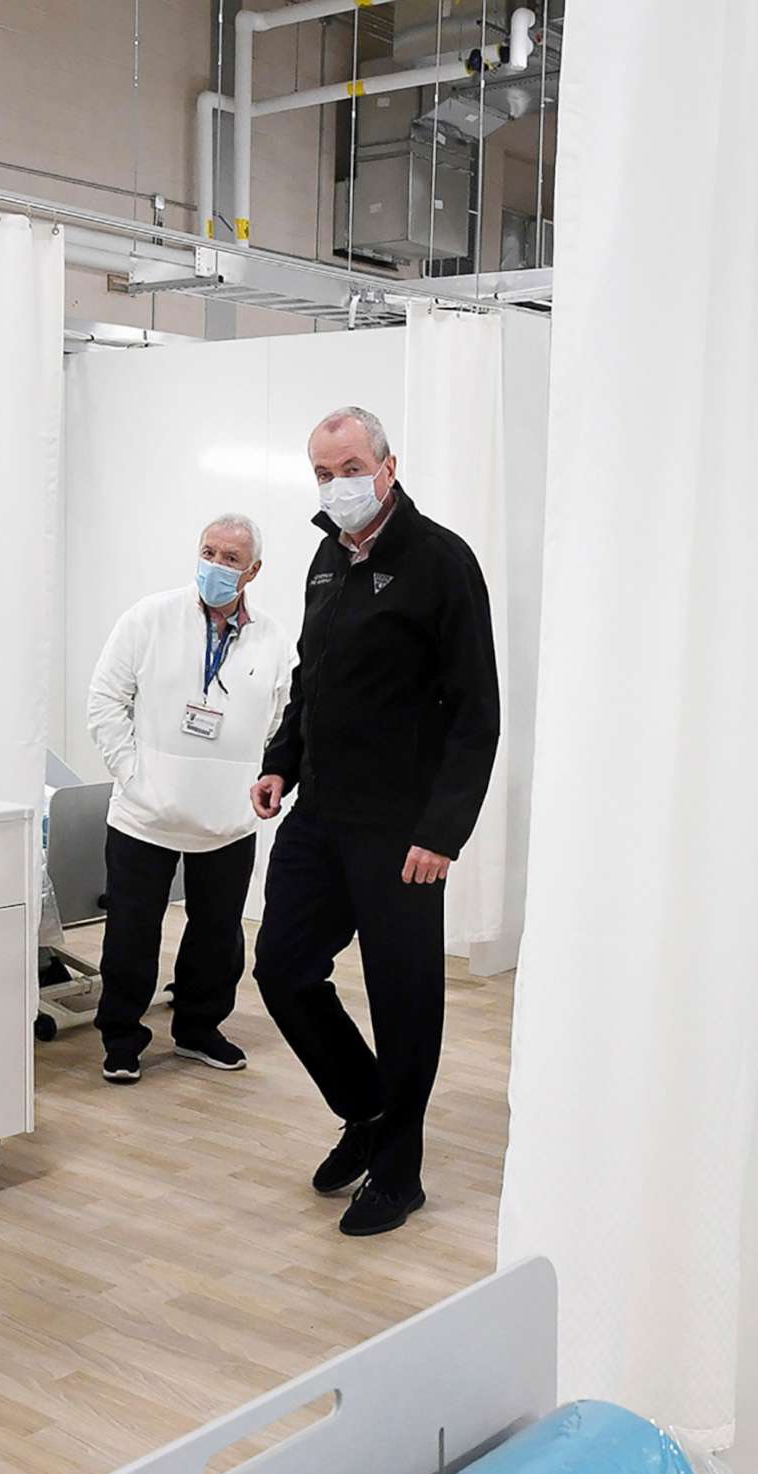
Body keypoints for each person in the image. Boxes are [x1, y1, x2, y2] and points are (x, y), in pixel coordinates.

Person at [251, 406, 500, 1238]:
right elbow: (309, 676)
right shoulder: (326, 558)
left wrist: (443, 831)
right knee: (282, 969)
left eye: (350, 466)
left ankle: (400, 1173)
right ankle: (368, 1114)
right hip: (319, 814)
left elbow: (476, 712)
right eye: (322, 472)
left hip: (401, 831)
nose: (337, 484)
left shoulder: (441, 562)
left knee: (404, 999)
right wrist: (282, 759)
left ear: (388, 467)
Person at [85, 512, 294, 1085]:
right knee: (131, 931)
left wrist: (255, 776)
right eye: (209, 552)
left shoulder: (273, 638)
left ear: (253, 571)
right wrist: (131, 775)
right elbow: (104, 701)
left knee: (218, 931)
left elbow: (282, 717)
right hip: (143, 814)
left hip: (228, 819)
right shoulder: (149, 617)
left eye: (231, 559)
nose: (216, 566)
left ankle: (199, 1028)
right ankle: (122, 1038)